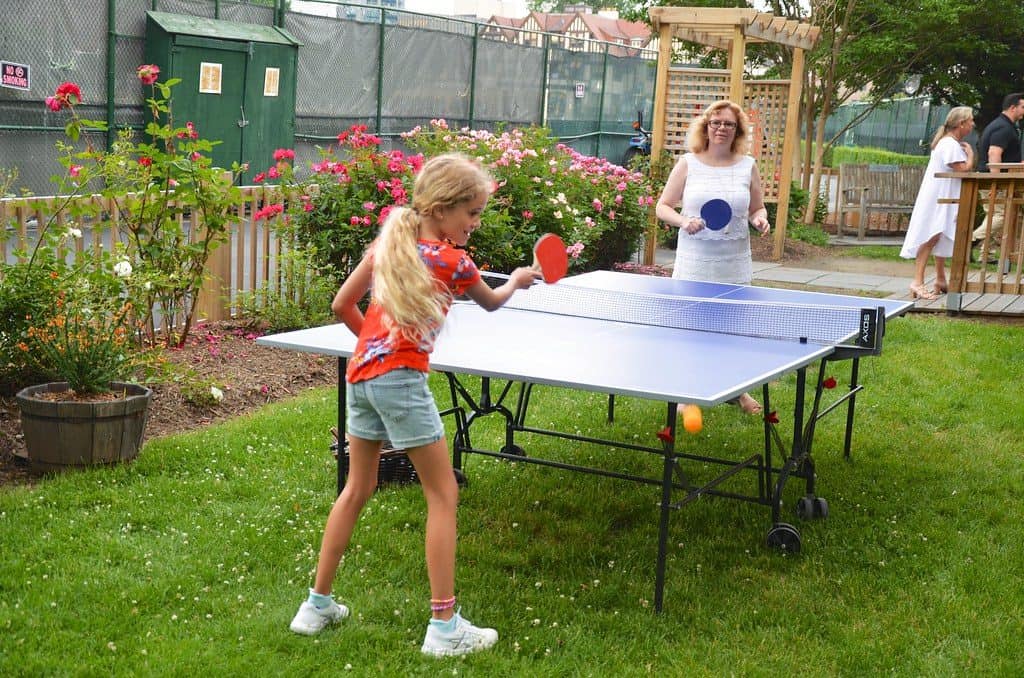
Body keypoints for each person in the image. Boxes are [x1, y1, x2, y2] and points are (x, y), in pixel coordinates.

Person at [288, 154, 539, 657]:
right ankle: (444, 626)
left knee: (358, 487)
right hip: (400, 381)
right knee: (443, 494)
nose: (475, 223)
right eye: (472, 212)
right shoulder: (455, 262)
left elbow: (342, 305)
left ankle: (316, 606)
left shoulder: (389, 245)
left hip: (361, 375)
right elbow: (491, 302)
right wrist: (516, 280)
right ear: (443, 209)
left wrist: (376, 351)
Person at [655, 100, 771, 415]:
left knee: (732, 327)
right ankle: (686, 392)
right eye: (715, 122)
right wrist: (682, 222)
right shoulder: (688, 163)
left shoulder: (747, 165)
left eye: (728, 124)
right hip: (695, 260)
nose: (721, 128)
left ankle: (737, 391)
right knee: (691, 325)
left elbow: (756, 207)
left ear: (737, 130)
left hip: (733, 261)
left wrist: (760, 219)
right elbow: (663, 205)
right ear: (706, 126)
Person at [900, 106, 976, 300]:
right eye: (970, 120)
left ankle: (940, 278)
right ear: (961, 124)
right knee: (931, 236)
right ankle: (917, 281)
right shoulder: (949, 144)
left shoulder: (948, 143)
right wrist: (971, 156)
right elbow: (962, 169)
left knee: (939, 235)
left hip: (944, 195)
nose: (973, 124)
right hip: (939, 197)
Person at [972, 93, 1024, 261]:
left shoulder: (1002, 125)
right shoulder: (1003, 127)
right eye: (1023, 107)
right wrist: (997, 181)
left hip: (991, 178)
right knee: (1001, 216)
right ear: (1012, 107)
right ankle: (971, 240)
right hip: (993, 180)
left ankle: (986, 254)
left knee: (993, 215)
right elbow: (994, 154)